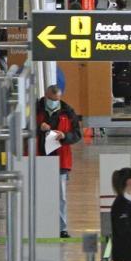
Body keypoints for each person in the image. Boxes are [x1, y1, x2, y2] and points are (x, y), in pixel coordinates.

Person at [36, 85, 82, 238]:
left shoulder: (68, 111)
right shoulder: (35, 109)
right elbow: (24, 128)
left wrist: (64, 136)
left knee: (60, 196)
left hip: (61, 159)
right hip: (40, 157)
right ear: (46, 96)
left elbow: (77, 134)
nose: (55, 102)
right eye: (52, 100)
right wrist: (38, 127)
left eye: (57, 100)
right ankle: (43, 224)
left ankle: (62, 227)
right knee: (41, 193)